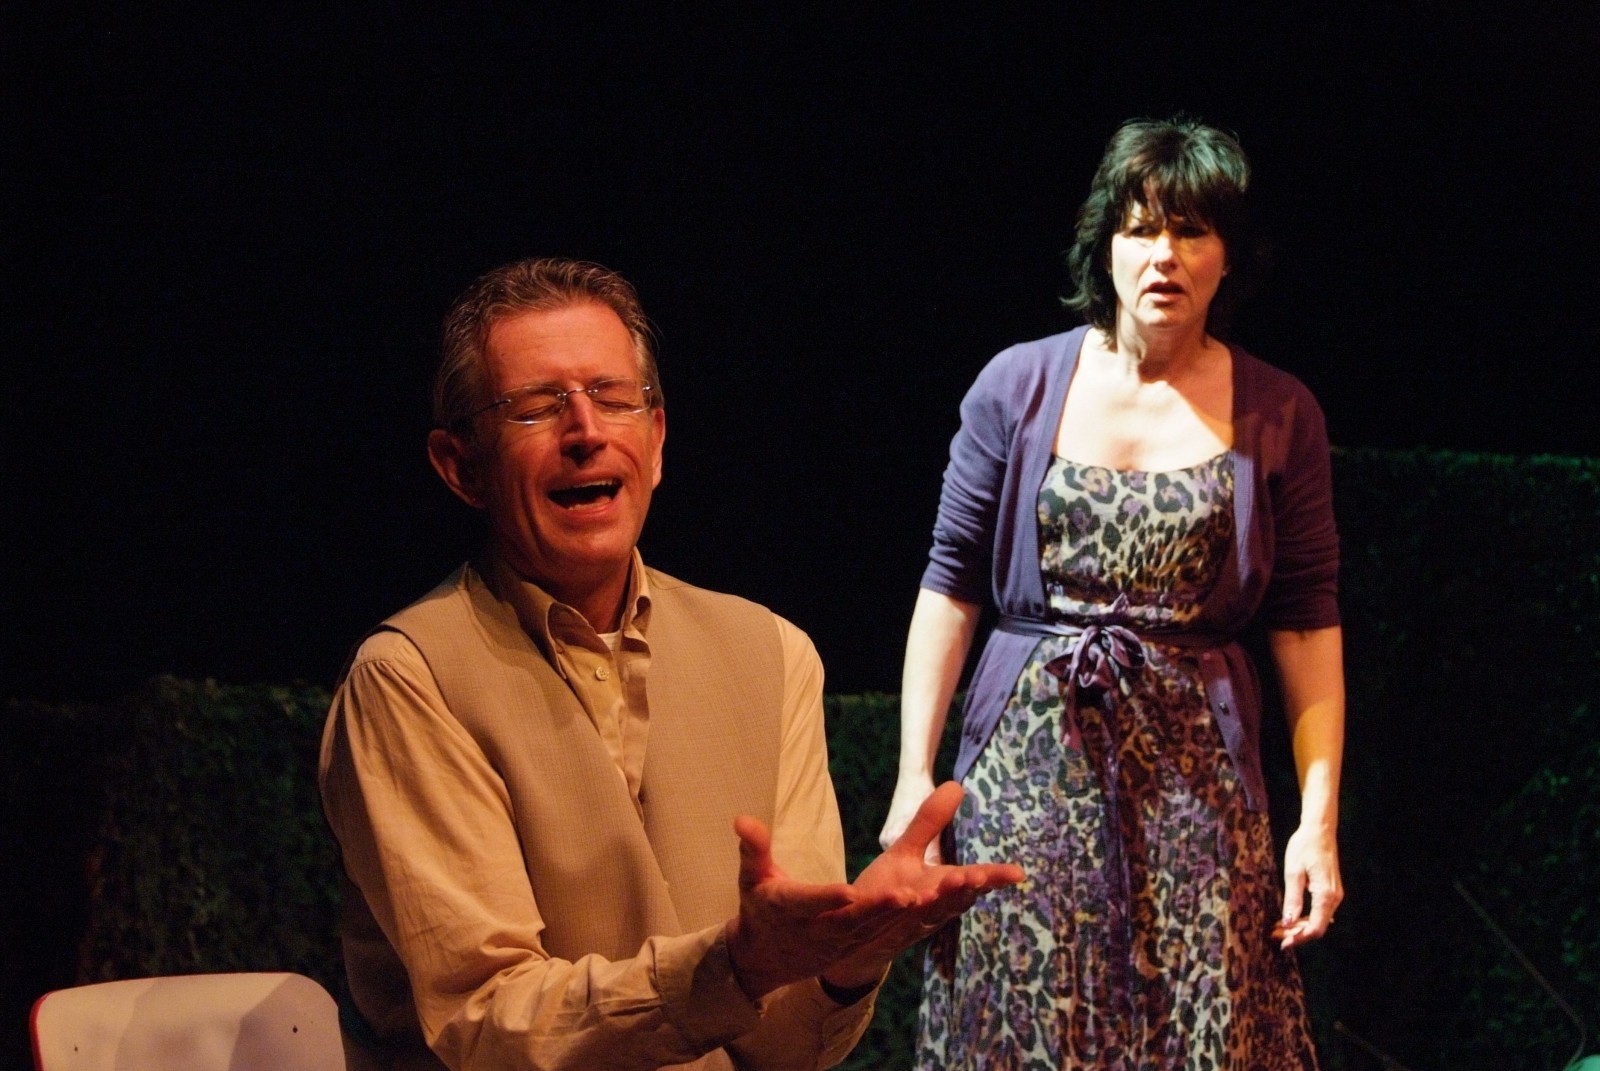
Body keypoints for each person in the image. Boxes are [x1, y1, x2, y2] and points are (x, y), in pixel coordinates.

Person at [319, 258, 1023, 1071]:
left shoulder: (772, 652)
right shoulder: (408, 679)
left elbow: (789, 1048)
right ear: (461, 465)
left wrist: (849, 958)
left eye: (612, 396)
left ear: (655, 441)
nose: (585, 430)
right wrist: (732, 968)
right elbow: (488, 1023)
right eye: (536, 407)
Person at [879, 118, 1345, 1068]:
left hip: (1199, 790)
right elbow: (950, 586)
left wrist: (1318, 823)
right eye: (1140, 229)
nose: (1164, 254)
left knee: (1206, 1020)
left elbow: (1306, 624)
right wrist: (912, 779)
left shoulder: (1280, 410)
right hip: (1027, 775)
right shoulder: (1016, 385)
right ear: (1105, 246)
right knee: (1024, 1018)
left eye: (1191, 231)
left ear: (1228, 256)